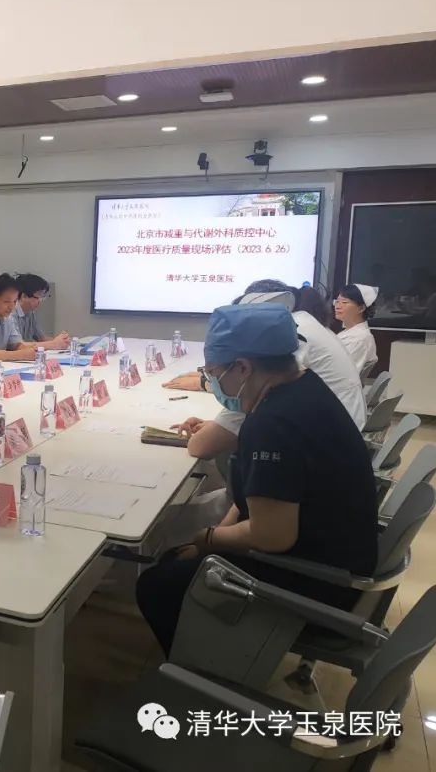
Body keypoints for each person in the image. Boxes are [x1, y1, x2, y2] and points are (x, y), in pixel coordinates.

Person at [137, 304, 378, 654]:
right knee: (178, 558)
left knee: (157, 584)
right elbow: (257, 497)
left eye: (213, 372)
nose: (213, 382)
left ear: (243, 367)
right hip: (338, 558)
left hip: (319, 583)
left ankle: (207, 670)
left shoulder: (272, 424)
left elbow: (272, 535)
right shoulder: (302, 387)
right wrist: (215, 537)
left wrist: (207, 538)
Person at [166, 280, 366, 460]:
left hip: (323, 453)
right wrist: (217, 425)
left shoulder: (287, 343)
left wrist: (216, 428)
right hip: (339, 440)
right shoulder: (299, 328)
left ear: (243, 366)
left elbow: (202, 447)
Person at [13, 273, 71, 349]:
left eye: (42, 297)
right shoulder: (11, 314)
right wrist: (54, 344)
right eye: (38, 297)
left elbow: (41, 338)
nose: (40, 301)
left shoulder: (30, 312)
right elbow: (19, 346)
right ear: (24, 296)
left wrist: (63, 341)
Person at [334, 283, 379, 378]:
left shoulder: (358, 339)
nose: (337, 306)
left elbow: (341, 373)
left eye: (344, 302)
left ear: (361, 308)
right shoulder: (349, 332)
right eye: (337, 301)